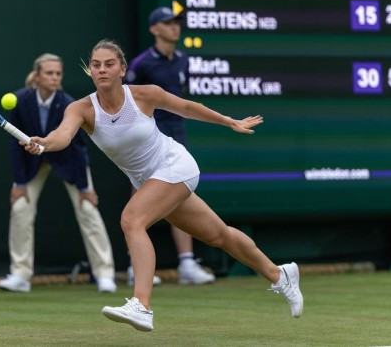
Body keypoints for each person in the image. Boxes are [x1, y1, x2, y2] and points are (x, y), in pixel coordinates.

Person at [22, 40, 303, 332]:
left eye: (108, 64)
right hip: (151, 181)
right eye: (96, 65)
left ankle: (141, 305)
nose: (102, 70)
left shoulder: (145, 95)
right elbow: (61, 136)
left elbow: (187, 108)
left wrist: (228, 121)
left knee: (132, 220)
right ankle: (279, 274)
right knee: (219, 235)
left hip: (175, 165)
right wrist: (44, 144)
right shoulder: (81, 109)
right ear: (90, 70)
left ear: (122, 69)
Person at [0, 53, 117, 294]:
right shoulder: (20, 101)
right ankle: (20, 274)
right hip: (32, 162)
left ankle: (105, 274)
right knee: (20, 208)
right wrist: (18, 183)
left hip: (67, 160)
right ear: (37, 76)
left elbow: (78, 148)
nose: (54, 77)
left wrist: (85, 188)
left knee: (88, 210)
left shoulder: (69, 103)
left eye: (58, 73)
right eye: (49, 73)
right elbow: (15, 146)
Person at [124, 6, 214, 286]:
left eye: (176, 22)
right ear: (154, 29)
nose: (175, 27)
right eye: (168, 23)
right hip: (145, 139)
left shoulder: (183, 61)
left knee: (180, 197)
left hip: (176, 136)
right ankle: (134, 265)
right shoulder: (141, 65)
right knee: (139, 195)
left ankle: (186, 263)